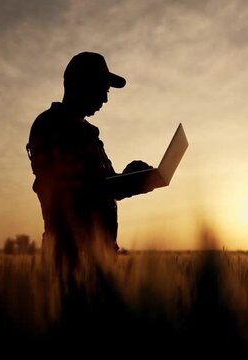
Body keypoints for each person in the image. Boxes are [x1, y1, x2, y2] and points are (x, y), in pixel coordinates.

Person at [26, 52, 153, 276]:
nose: (105, 99)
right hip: (68, 259)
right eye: (102, 90)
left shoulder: (88, 134)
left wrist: (131, 177)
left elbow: (103, 185)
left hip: (100, 259)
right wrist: (123, 185)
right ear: (80, 84)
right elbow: (66, 195)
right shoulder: (49, 126)